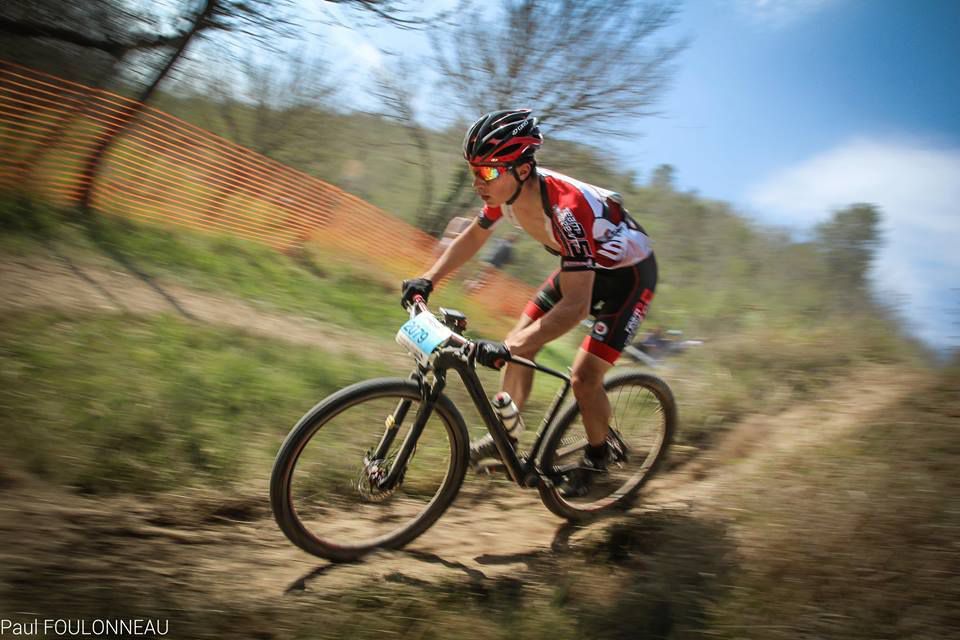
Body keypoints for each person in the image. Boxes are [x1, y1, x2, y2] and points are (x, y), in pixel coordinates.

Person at [401, 109, 657, 497]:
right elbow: (473, 237)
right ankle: (506, 437)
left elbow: (576, 307)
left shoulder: (567, 211)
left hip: (628, 276)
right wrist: (428, 278)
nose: (477, 182)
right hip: (583, 265)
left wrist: (509, 349)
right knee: (520, 338)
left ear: (521, 169)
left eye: (486, 172)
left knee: (583, 377)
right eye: (473, 170)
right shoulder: (506, 192)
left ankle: (599, 455)